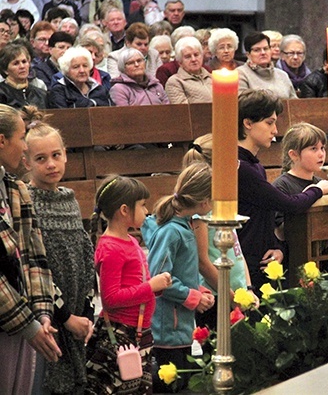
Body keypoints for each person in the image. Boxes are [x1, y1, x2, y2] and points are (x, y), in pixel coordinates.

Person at [23, 112, 95, 393]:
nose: (51, 164)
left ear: (66, 155)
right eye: (41, 159)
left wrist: (86, 312)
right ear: (27, 162)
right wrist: (65, 317)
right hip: (49, 319)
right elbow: (35, 267)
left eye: (56, 155)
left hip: (78, 313)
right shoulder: (26, 203)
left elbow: (84, 257)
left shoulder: (70, 200)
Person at [236, 90, 328, 289]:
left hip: (263, 258)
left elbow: (266, 217)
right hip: (248, 260)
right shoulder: (241, 167)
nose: (275, 130)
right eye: (269, 123)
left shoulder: (254, 165)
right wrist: (318, 190)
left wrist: (278, 247)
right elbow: (289, 205)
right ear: (248, 124)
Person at [86, 175, 171, 394]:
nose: (147, 211)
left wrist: (156, 288)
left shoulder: (130, 240)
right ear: (124, 210)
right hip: (121, 333)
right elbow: (111, 299)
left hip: (139, 331)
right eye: (142, 205)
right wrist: (150, 287)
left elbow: (136, 284)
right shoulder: (111, 248)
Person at [0, 104, 61, 393]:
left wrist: (42, 313)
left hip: (25, 321)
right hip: (11, 319)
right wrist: (28, 324)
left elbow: (34, 257)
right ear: (2, 140)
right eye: (22, 138)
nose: (25, 147)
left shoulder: (15, 189)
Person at [142, 162, 215, 393]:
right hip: (167, 329)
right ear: (204, 202)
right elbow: (159, 278)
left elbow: (184, 271)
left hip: (181, 327)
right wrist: (191, 296)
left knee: (183, 384)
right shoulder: (171, 231)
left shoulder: (184, 226)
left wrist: (200, 291)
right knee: (171, 387)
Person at [182, 135, 257, 329]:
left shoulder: (222, 201)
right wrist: (231, 298)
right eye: (232, 158)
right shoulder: (202, 209)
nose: (238, 163)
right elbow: (202, 261)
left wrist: (248, 289)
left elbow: (237, 251)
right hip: (216, 297)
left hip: (237, 293)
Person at [272, 123, 328, 261]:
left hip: (324, 257)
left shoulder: (321, 183)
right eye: (313, 149)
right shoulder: (282, 186)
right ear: (294, 155)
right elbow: (281, 231)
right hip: (296, 259)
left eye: (322, 148)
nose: (321, 154)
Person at [48, 46, 113, 108]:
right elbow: (63, 116)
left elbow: (112, 111)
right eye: (76, 67)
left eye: (85, 66)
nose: (82, 70)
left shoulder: (99, 89)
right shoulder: (59, 91)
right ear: (67, 70)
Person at [237, 32, 297, 99]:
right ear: (248, 55)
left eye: (266, 49)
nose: (263, 53)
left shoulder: (282, 75)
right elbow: (242, 102)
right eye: (257, 50)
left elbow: (295, 103)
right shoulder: (240, 74)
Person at [0, 43, 47, 110]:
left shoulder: (42, 95)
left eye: (24, 62)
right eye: (16, 63)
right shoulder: (1, 93)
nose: (22, 66)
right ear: (5, 70)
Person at [165, 36, 212, 104]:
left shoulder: (212, 77)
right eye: (188, 56)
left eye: (196, 55)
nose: (193, 59)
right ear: (180, 62)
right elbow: (183, 111)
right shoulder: (175, 82)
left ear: (202, 56)